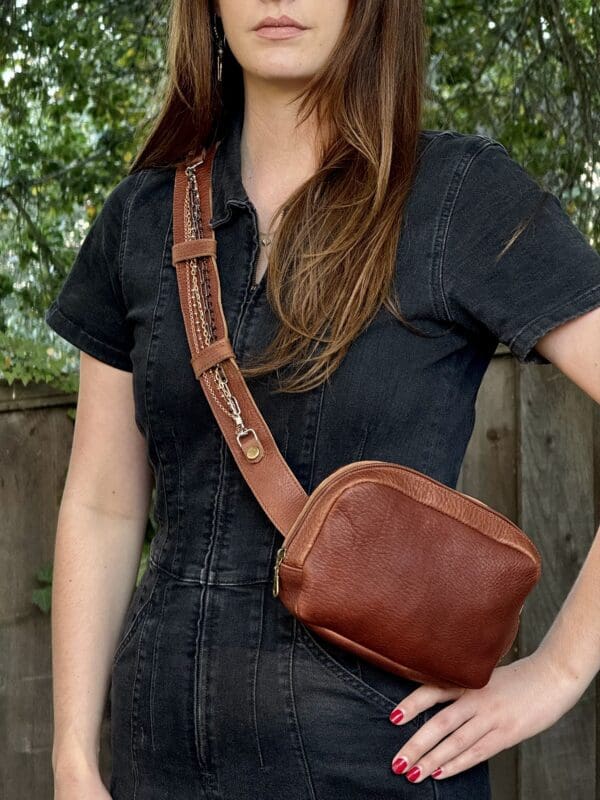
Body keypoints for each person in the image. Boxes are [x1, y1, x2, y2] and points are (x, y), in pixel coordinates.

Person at [46, 2, 600, 799]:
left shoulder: (460, 200)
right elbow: (100, 502)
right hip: (153, 760)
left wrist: (557, 671)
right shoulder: (138, 222)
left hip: (373, 764)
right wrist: (72, 758)